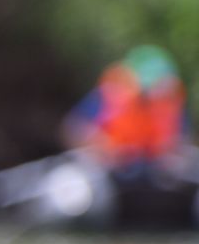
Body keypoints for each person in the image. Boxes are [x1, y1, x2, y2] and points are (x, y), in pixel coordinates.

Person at [62, 46, 187, 174]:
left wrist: (169, 155)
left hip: (152, 175)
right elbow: (73, 129)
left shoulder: (169, 102)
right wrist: (101, 145)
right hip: (108, 169)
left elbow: (181, 144)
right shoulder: (113, 92)